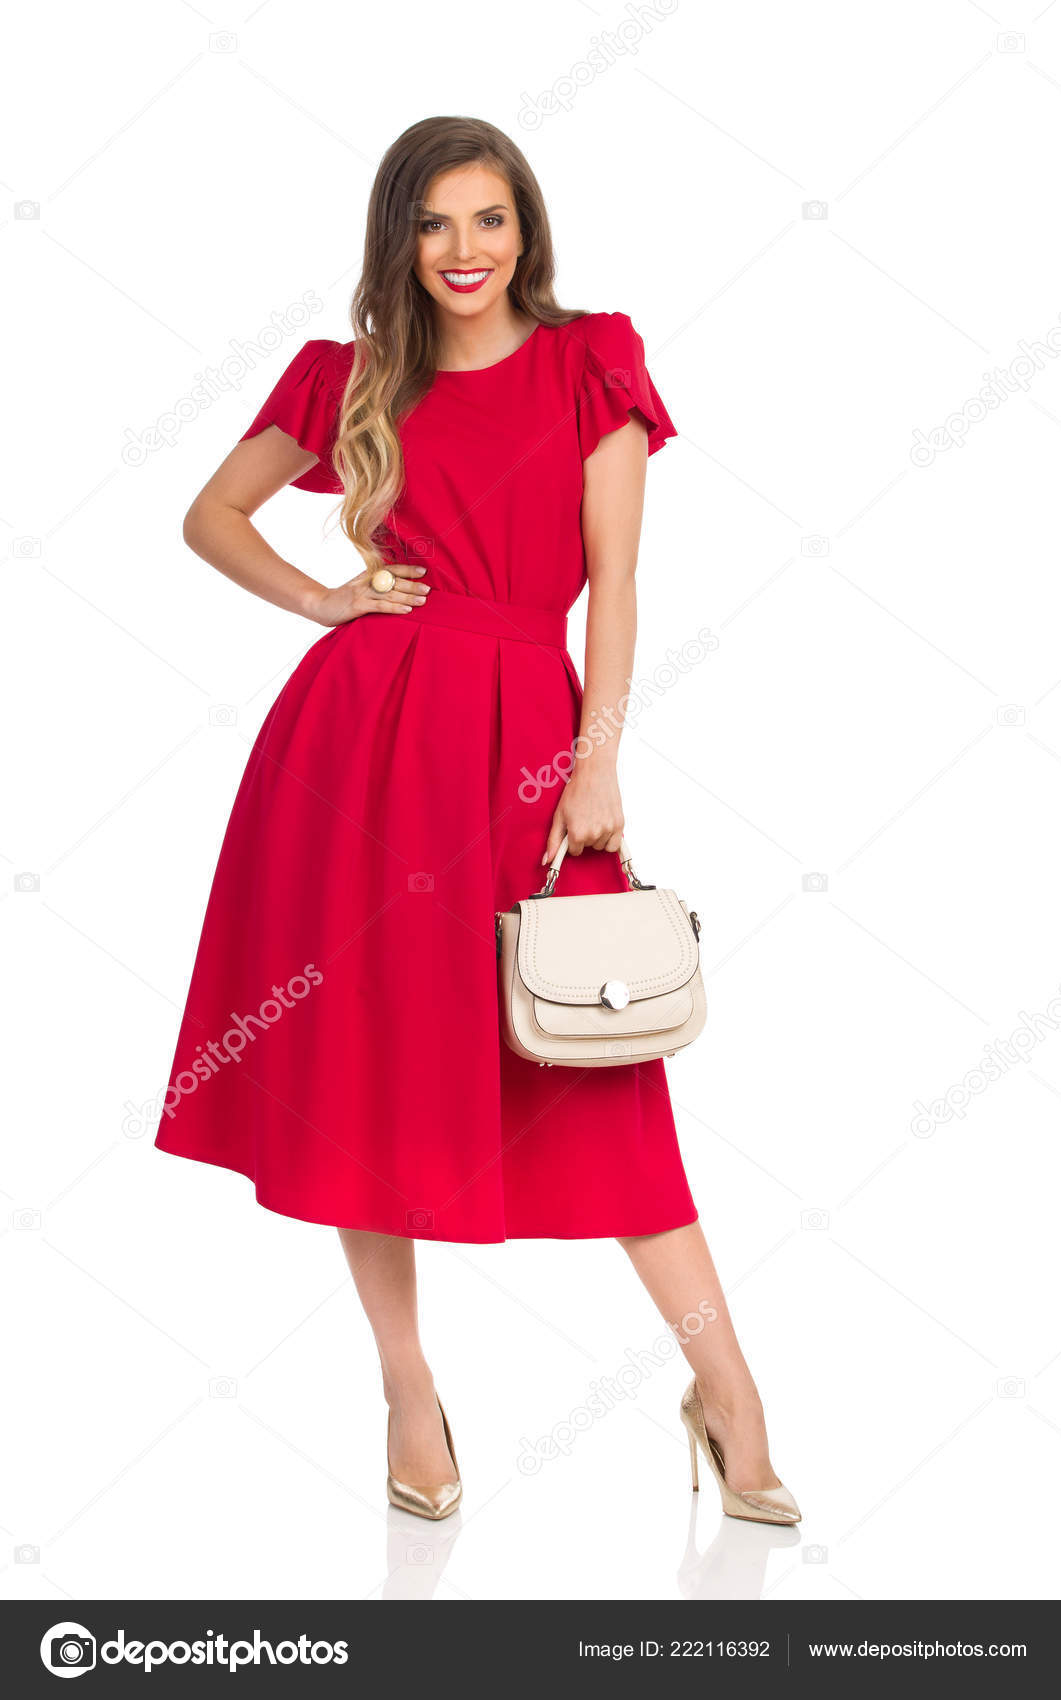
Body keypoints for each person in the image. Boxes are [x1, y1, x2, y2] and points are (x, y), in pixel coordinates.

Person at [154, 115, 799, 1527]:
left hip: (526, 743)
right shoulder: (353, 378)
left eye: (489, 219)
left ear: (526, 230)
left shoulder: (590, 361)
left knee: (600, 1067)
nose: (463, 251)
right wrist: (326, 600)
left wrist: (598, 759)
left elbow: (617, 588)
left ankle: (730, 1394)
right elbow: (211, 516)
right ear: (400, 238)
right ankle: (406, 1387)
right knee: (368, 1068)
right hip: (357, 749)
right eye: (433, 223)